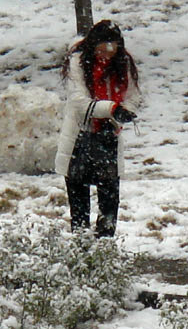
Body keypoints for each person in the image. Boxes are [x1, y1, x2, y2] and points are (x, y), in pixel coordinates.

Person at [55, 20, 142, 238]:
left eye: (111, 49)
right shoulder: (78, 64)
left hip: (108, 141)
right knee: (79, 208)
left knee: (109, 203)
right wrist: (112, 108)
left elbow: (132, 96)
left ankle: (105, 249)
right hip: (79, 141)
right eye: (102, 48)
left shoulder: (123, 65)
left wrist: (123, 113)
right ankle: (82, 251)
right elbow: (79, 101)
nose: (106, 54)